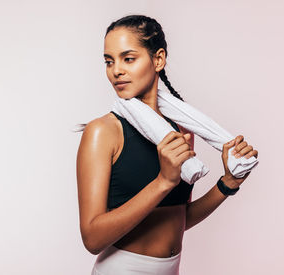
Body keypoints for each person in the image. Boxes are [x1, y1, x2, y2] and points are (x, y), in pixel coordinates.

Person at [76, 14, 258, 275]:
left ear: (158, 59)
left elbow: (179, 218)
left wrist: (227, 184)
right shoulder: (103, 132)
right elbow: (92, 239)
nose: (116, 70)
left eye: (128, 58)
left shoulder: (181, 130)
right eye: (109, 61)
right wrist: (163, 181)